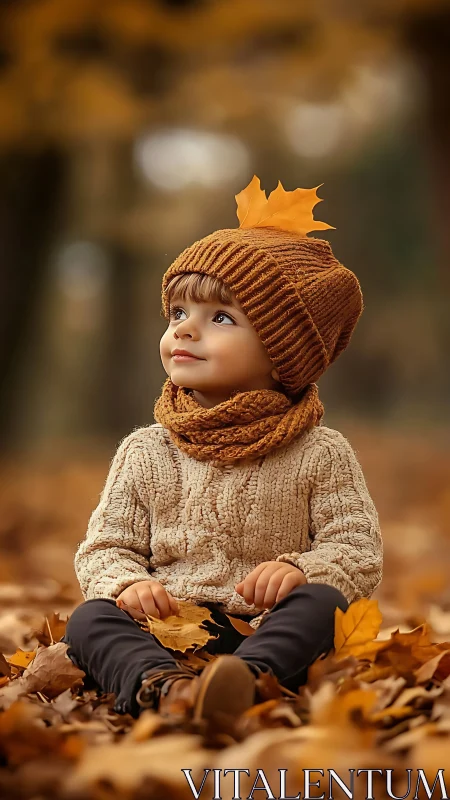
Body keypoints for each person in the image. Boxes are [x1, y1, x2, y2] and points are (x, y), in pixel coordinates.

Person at [62, 176, 383, 724]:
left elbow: (356, 546)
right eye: (178, 314)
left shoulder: (320, 452)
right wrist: (129, 584)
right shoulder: (147, 450)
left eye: (221, 318)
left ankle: (247, 680)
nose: (186, 331)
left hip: (265, 625)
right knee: (89, 620)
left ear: (284, 356)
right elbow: (103, 548)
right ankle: (158, 685)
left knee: (325, 606)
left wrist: (300, 569)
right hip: (168, 629)